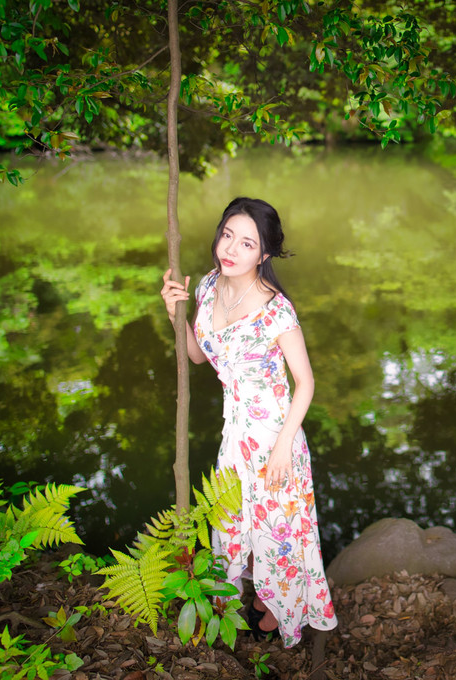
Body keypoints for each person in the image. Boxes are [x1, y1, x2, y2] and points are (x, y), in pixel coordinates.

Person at [159, 197, 337, 647]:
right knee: (237, 526)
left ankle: (275, 613)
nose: (231, 249)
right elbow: (200, 356)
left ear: (265, 254)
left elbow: (306, 383)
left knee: (275, 536)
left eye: (247, 243)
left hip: (277, 440)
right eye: (227, 235)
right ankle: (252, 605)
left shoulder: (276, 310)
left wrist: (282, 447)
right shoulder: (208, 285)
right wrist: (174, 316)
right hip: (234, 438)